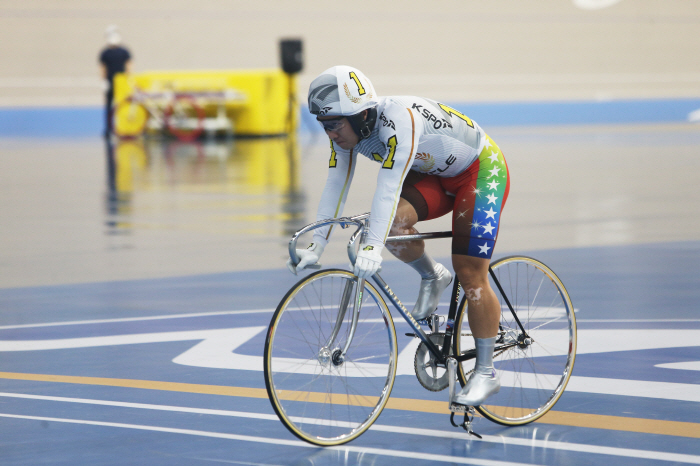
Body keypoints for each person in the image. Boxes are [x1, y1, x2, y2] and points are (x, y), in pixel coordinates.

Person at [287, 65, 510, 407]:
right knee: (391, 227)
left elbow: (388, 188)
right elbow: (336, 184)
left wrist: (372, 248)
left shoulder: (398, 121)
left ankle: (487, 373)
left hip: (479, 172)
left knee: (469, 272)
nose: (329, 133)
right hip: (434, 174)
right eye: (322, 125)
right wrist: (316, 245)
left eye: (333, 125)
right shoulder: (349, 133)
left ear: (361, 116)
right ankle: (431, 275)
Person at [99, 25, 131, 137]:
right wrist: (104, 81)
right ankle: (109, 128)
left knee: (122, 105)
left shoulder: (123, 51)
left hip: (120, 82)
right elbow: (103, 68)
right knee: (109, 105)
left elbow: (128, 67)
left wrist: (128, 79)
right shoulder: (106, 53)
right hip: (113, 81)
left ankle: (121, 127)